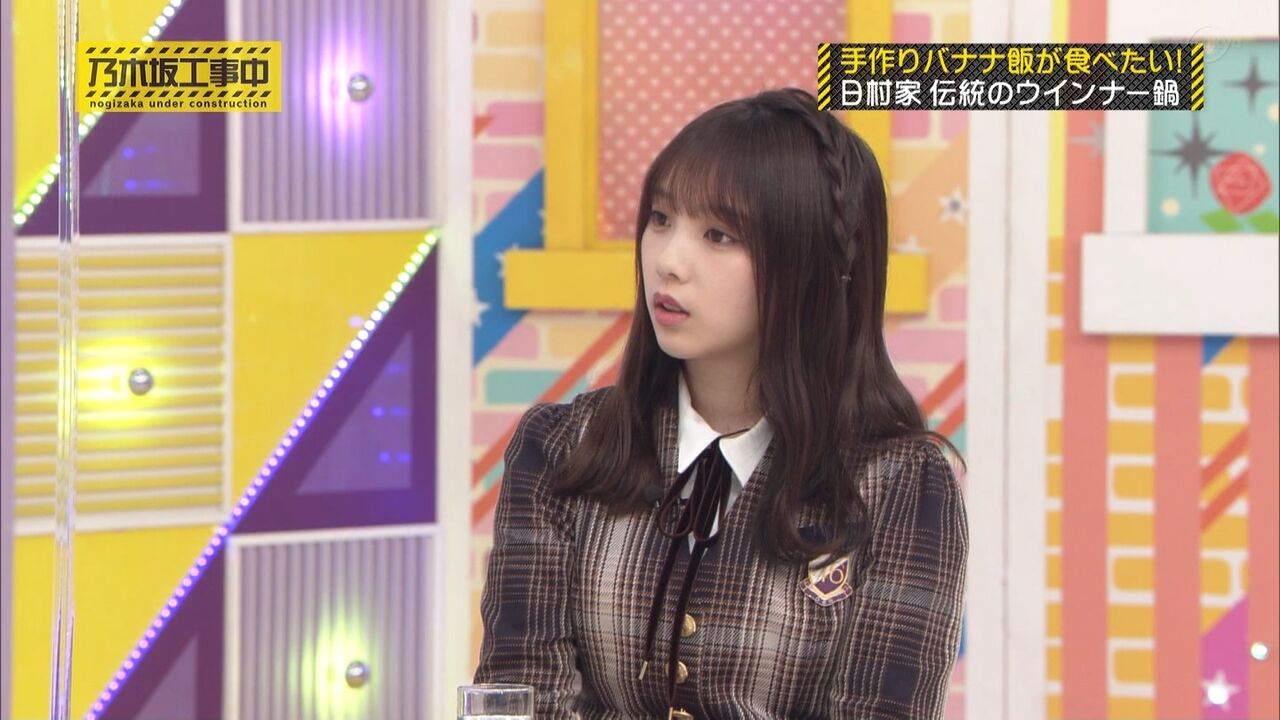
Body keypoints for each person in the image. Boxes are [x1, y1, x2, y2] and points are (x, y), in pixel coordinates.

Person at [474, 87, 968, 719]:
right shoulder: (561, 449)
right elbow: (520, 698)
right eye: (660, 218)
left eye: (718, 234)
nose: (668, 261)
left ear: (811, 267)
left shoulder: (900, 485)